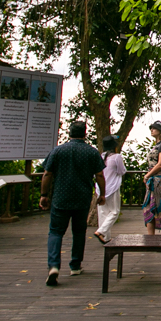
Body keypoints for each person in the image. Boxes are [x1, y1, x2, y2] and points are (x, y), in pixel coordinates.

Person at [40, 121, 106, 285]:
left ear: (69, 133)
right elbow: (99, 175)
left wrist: (44, 195)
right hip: (82, 198)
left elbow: (47, 174)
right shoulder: (91, 152)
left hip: (60, 198)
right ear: (85, 133)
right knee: (78, 232)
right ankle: (75, 265)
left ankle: (54, 266)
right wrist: (102, 193)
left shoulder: (58, 150)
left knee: (55, 232)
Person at [93, 135, 126, 244]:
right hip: (112, 187)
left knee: (103, 213)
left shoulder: (100, 157)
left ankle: (106, 238)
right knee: (114, 211)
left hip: (100, 188)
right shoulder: (117, 157)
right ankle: (101, 231)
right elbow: (122, 171)